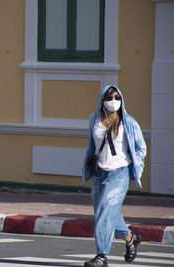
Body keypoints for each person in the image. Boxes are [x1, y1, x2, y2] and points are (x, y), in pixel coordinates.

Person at [82, 85, 147, 267]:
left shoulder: (128, 122)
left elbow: (141, 147)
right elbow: (91, 145)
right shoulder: (94, 119)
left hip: (119, 173)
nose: (113, 101)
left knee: (104, 210)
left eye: (117, 97)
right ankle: (131, 238)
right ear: (102, 100)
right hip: (99, 172)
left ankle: (102, 256)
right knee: (107, 212)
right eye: (109, 97)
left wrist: (137, 164)